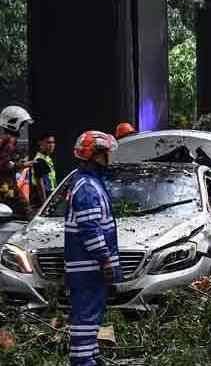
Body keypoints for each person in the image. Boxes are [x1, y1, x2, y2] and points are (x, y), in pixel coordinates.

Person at [65, 131, 120, 366]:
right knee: (86, 317)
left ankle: (91, 356)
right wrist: (105, 259)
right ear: (95, 155)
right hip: (88, 267)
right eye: (106, 153)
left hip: (87, 266)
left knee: (91, 315)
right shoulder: (87, 187)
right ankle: (82, 361)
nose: (109, 157)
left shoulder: (89, 182)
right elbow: (90, 229)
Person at [0, 105, 32, 217]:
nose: (22, 128)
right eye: (22, 124)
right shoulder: (9, 140)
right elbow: (4, 164)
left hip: (7, 184)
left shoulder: (5, 139)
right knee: (25, 211)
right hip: (6, 186)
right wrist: (24, 164)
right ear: (13, 123)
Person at [27, 135, 57, 213]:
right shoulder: (40, 160)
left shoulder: (47, 158)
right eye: (48, 142)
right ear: (40, 143)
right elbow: (40, 184)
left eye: (53, 142)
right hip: (42, 202)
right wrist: (45, 204)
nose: (51, 145)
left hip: (49, 197)